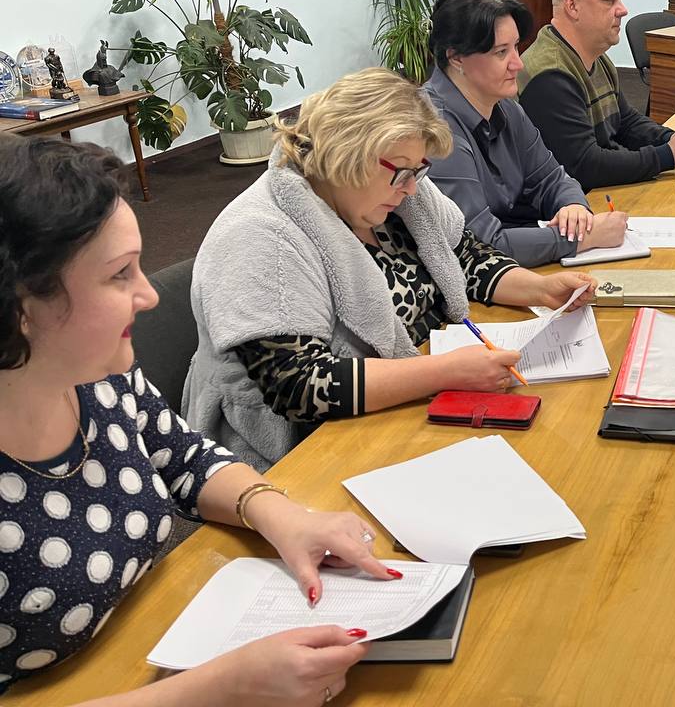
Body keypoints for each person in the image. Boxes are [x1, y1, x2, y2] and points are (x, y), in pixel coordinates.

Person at [0, 135, 389, 699]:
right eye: (119, 274)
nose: (149, 294)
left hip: (148, 643)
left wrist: (282, 516)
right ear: (20, 306)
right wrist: (218, 690)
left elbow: (184, 459)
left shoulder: (97, 376)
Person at [184, 67, 597, 470]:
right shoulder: (260, 235)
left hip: (408, 402)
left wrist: (539, 290)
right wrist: (444, 372)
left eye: (418, 171)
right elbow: (300, 386)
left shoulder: (395, 186)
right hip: (301, 452)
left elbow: (463, 255)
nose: (412, 187)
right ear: (346, 155)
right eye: (402, 172)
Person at [425, 0, 629, 267]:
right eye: (501, 52)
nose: (518, 64)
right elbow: (479, 244)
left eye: (516, 47)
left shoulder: (505, 106)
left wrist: (573, 207)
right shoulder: (434, 129)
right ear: (457, 58)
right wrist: (582, 237)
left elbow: (552, 177)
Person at [518, 0, 675, 191]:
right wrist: (667, 155)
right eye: (609, 0)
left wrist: (671, 139)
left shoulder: (594, 56)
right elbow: (584, 166)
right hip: (574, 201)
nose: (623, 10)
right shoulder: (550, 75)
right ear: (572, 7)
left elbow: (625, 122)